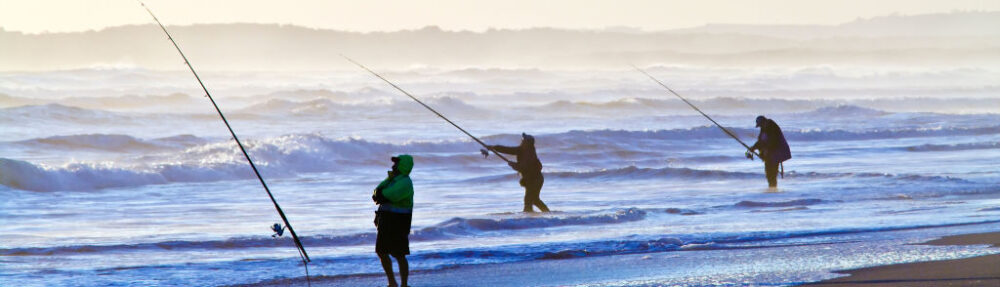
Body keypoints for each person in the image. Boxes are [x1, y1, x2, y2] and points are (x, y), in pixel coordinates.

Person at [372, 155, 414, 287]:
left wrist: (380, 194)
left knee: (399, 254)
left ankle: (404, 284)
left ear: (402, 166)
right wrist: (380, 193)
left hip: (399, 222)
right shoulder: (392, 179)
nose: (393, 166)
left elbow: (388, 195)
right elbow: (377, 193)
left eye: (396, 164)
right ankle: (392, 282)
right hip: (386, 219)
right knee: (381, 251)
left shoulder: (405, 182)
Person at [490, 133, 550, 212]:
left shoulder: (529, 154)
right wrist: (494, 148)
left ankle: (529, 216)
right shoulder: (521, 150)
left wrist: (513, 165)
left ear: (527, 143)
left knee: (528, 200)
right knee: (534, 200)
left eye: (523, 140)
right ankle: (547, 213)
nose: (521, 142)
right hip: (534, 179)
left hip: (535, 180)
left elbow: (523, 167)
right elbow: (508, 150)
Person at [748, 116, 791, 188]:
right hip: (769, 155)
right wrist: (753, 147)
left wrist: (765, 150)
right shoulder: (764, 128)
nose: (760, 127)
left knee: (772, 174)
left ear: (764, 122)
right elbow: (761, 141)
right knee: (768, 173)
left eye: (761, 125)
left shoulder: (772, 127)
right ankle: (772, 188)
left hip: (776, 154)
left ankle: (773, 189)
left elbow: (773, 142)